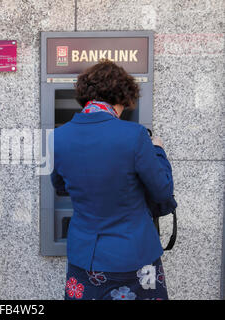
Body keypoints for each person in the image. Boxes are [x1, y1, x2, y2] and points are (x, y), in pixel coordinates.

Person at [51, 60, 173, 300]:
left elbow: (60, 185)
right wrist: (158, 151)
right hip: (134, 257)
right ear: (121, 97)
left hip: (85, 256)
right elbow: (163, 192)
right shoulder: (134, 135)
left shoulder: (59, 136)